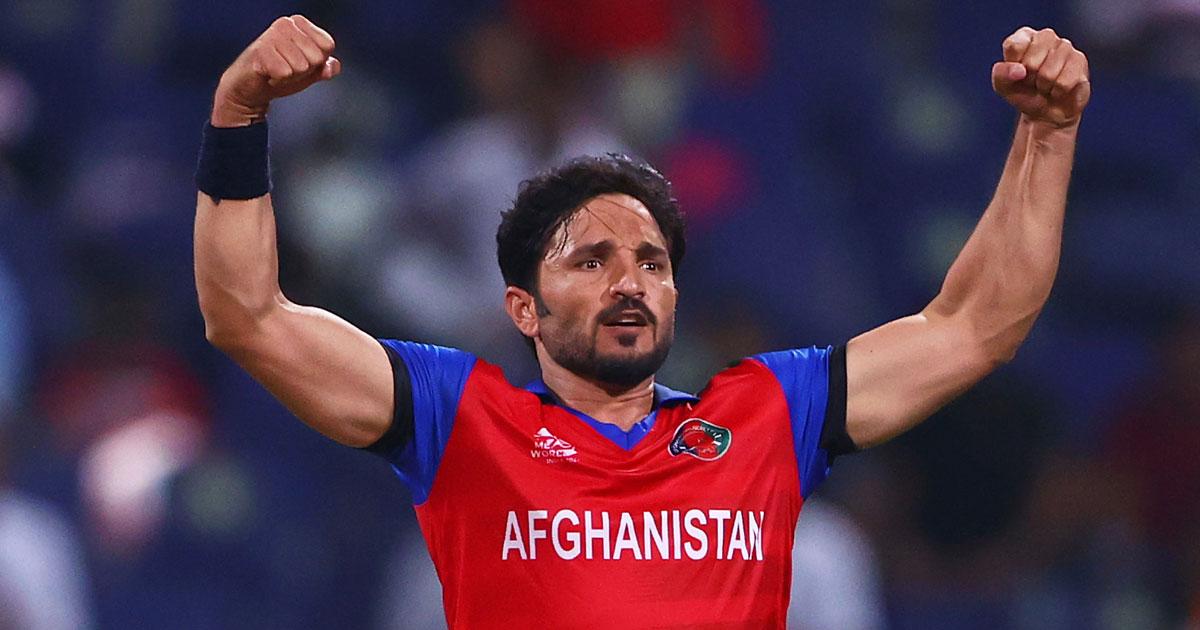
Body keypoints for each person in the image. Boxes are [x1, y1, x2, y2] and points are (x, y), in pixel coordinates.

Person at [193, 15, 1090, 629]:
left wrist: (1047, 138)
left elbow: (976, 326)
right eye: (591, 261)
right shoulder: (460, 418)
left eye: (652, 263)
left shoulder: (768, 416)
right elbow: (249, 318)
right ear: (524, 308)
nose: (630, 282)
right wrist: (238, 116)